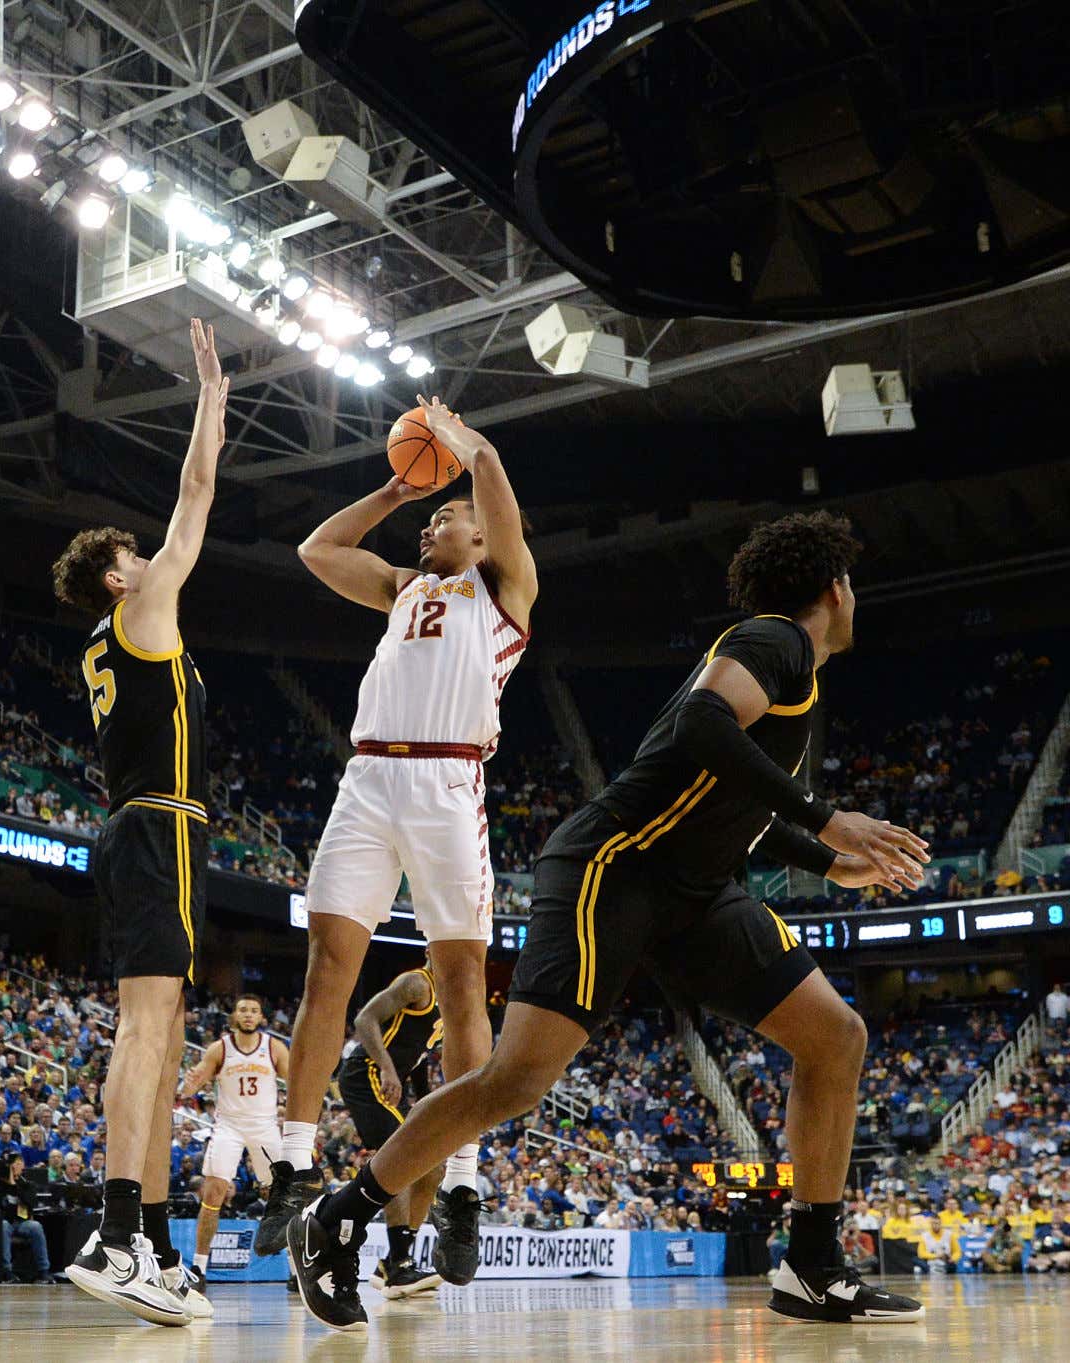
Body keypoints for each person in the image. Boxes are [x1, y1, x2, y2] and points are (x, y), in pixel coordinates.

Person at [286, 511, 932, 1330]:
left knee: (835, 1036)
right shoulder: (775, 640)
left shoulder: (778, 660)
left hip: (695, 891)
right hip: (613, 869)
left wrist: (823, 859)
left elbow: (722, 789)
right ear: (835, 588)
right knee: (514, 1082)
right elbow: (702, 724)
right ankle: (339, 1216)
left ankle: (812, 1264)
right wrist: (829, 819)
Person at [262, 396, 536, 1287]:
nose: (430, 527)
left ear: (482, 537)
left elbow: (490, 478)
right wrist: (395, 489)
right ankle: (295, 1164)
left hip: (449, 784)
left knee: (460, 982)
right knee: (326, 968)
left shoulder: (503, 590)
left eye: (444, 516)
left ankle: (462, 1183)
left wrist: (457, 441)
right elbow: (317, 551)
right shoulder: (402, 587)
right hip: (369, 778)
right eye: (429, 519)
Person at [48, 318, 229, 1328]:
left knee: (163, 1043)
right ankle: (116, 1232)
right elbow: (195, 493)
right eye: (135, 552)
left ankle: (152, 1243)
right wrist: (210, 399)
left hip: (145, 830)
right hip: (157, 827)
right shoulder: (143, 608)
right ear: (120, 576)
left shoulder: (110, 639)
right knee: (146, 1030)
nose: (151, 555)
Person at [335, 964, 446, 1298]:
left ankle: (393, 1262)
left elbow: (418, 1057)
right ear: (431, 951)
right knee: (402, 1161)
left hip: (393, 1081)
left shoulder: (449, 999)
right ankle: (398, 1265)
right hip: (367, 1073)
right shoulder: (416, 983)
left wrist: (426, 1103)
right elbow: (364, 1020)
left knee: (433, 1168)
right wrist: (387, 1068)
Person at [176, 995, 287, 1315]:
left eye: (254, 1010)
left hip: (264, 1125)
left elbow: (297, 1082)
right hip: (229, 1126)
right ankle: (199, 1267)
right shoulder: (220, 1049)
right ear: (234, 1016)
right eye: (243, 1010)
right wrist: (189, 1085)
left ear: (262, 1017)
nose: (248, 1015)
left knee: (284, 1194)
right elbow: (190, 1088)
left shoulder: (274, 1048)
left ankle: (297, 1269)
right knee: (213, 1191)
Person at [0, 1152, 51, 1283]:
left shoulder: (27, 1185)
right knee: (3, 1226)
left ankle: (44, 1271)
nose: (16, 1166)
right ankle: (7, 1271)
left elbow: (30, 1203)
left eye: (19, 1163)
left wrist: (14, 1184)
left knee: (36, 1226)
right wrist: (2, 1179)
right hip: (5, 1222)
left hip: (22, 1222)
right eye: (14, 1163)